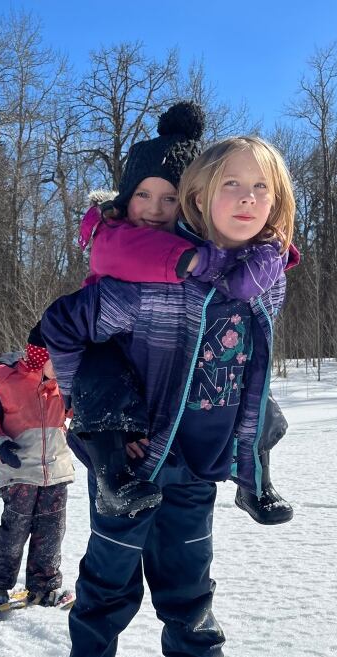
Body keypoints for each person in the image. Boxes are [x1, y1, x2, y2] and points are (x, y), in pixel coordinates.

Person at [40, 135, 296, 657]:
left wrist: (253, 442)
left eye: (260, 188)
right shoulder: (148, 283)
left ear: (277, 200)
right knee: (108, 587)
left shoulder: (267, 282)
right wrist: (96, 414)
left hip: (197, 468)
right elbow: (60, 327)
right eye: (230, 187)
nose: (246, 200)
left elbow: (250, 371)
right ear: (200, 199)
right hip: (132, 468)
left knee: (189, 589)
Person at [72, 102, 295, 524]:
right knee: (105, 384)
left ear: (193, 201)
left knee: (260, 399)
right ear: (126, 197)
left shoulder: (196, 238)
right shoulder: (117, 233)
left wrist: (265, 255)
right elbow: (128, 255)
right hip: (107, 347)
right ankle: (113, 472)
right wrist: (198, 260)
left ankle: (255, 478)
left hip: (173, 375)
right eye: (143, 195)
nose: (156, 209)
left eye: (170, 198)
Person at [0, 324, 74, 609]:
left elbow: (77, 412)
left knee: (52, 530)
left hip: (55, 471)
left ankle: (44, 586)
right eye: (60, 358)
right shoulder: (10, 386)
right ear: (41, 356)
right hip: (18, 472)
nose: (65, 364)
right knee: (15, 530)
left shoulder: (63, 387)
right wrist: (1, 443)